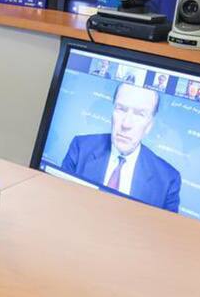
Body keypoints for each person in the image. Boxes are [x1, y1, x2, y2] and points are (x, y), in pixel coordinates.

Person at [61, 83, 181, 213]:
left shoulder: (168, 179)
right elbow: (59, 203)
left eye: (140, 114)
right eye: (121, 109)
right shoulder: (80, 148)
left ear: (149, 125)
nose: (126, 124)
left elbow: (164, 230)